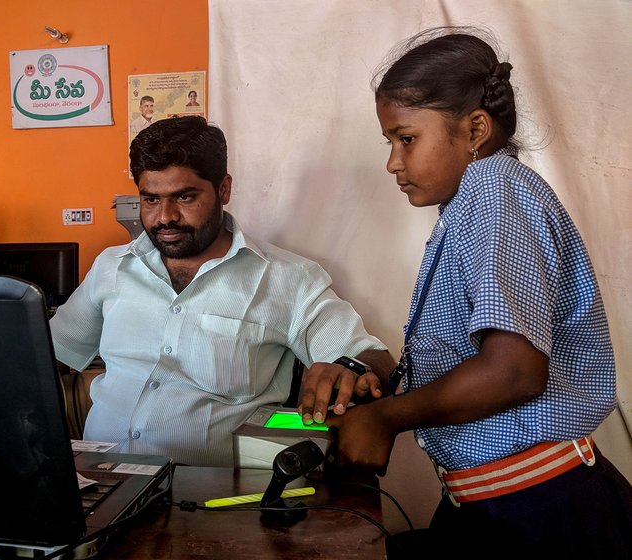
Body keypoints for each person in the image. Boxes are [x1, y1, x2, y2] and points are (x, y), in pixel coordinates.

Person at [299, 27, 632, 559]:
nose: (392, 162)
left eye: (406, 138)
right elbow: (459, 358)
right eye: (389, 142)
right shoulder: (473, 203)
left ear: (476, 128)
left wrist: (387, 418)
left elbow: (514, 371)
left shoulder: (492, 190)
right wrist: (371, 382)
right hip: (497, 503)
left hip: (542, 512)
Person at [50, 115, 394, 467]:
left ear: (224, 189)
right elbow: (51, 354)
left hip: (206, 499)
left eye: (184, 197)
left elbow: (373, 359)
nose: (164, 217)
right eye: (150, 200)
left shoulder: (288, 279)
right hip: (99, 481)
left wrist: (350, 369)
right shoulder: (113, 267)